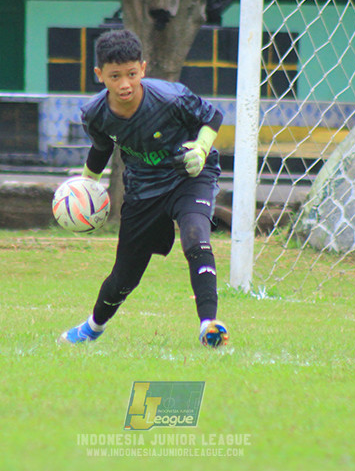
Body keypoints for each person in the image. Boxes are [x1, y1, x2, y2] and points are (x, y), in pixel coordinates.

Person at [58, 29, 229, 348]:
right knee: (124, 277)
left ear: (143, 68)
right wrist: (85, 188)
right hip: (143, 191)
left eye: (132, 74)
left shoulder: (170, 97)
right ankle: (93, 327)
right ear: (100, 75)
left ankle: (210, 324)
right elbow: (101, 149)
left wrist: (201, 149)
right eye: (115, 76)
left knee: (195, 235)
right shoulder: (95, 114)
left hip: (189, 178)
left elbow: (213, 116)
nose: (125, 83)